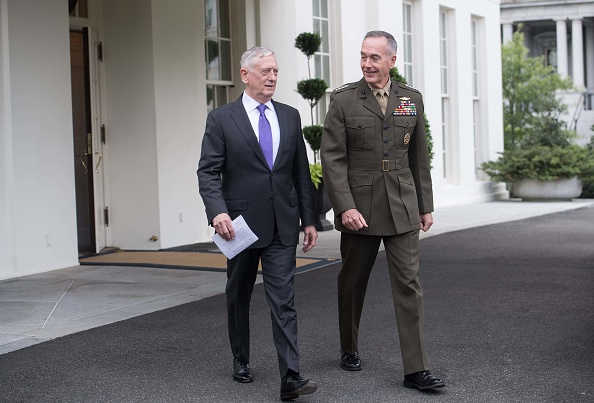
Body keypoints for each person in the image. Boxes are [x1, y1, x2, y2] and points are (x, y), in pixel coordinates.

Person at [320, 30, 445, 391]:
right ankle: (349, 347)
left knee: (409, 285)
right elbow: (332, 159)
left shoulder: (410, 99)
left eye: (374, 58)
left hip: (403, 204)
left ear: (392, 60)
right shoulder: (343, 100)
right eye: (363, 56)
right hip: (360, 207)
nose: (366, 64)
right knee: (352, 282)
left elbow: (420, 156)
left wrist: (425, 205)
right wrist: (344, 207)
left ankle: (415, 369)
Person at [197, 46, 318, 401]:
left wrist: (310, 220)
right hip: (239, 226)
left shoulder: (291, 116)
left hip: (283, 224)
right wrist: (217, 211)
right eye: (265, 71)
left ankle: (291, 376)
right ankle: (241, 358)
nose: (272, 77)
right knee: (239, 295)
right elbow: (208, 171)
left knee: (284, 299)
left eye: (276, 71)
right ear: (245, 74)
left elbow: (300, 174)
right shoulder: (222, 119)